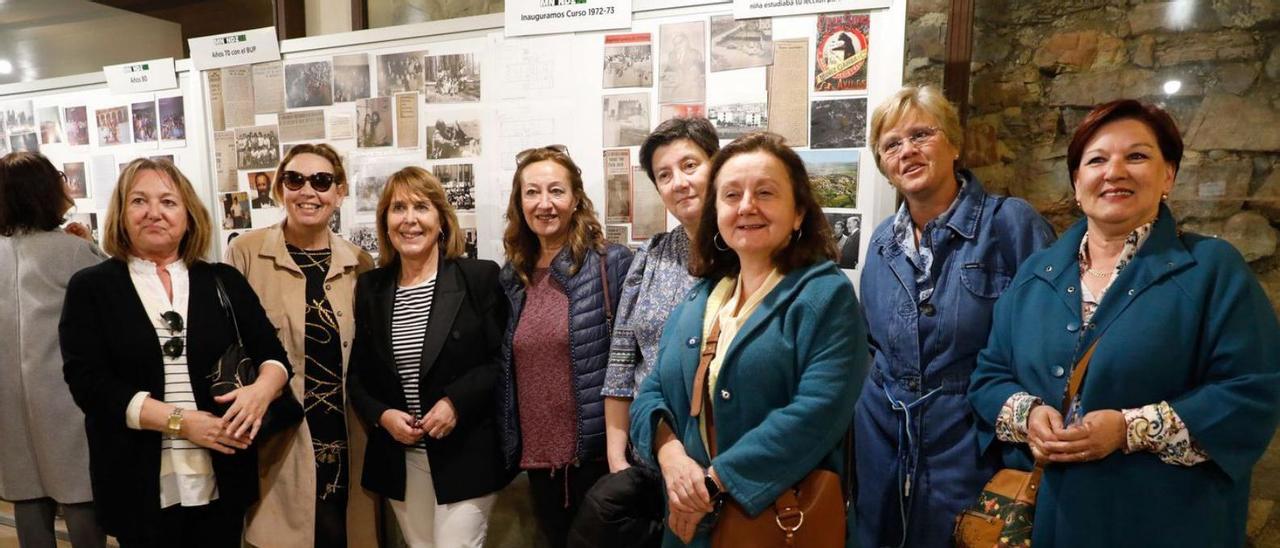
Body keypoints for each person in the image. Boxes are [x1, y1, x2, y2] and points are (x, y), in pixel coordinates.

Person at [969, 99, 1280, 546]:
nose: (1114, 171)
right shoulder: (1037, 274)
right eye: (1096, 160)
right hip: (1048, 522)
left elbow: (1251, 393)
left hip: (1164, 522)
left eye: (1136, 156)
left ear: (1168, 174)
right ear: (1077, 184)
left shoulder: (1213, 270)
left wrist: (1128, 429)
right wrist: (1029, 414)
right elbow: (988, 375)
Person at [630, 132, 867, 546]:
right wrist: (670, 458)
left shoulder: (825, 294)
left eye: (765, 192)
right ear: (716, 212)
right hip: (690, 524)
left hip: (775, 523)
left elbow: (818, 413)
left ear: (798, 213)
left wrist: (714, 481)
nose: (746, 207)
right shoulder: (702, 297)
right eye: (731, 194)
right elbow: (651, 392)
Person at [853, 85, 1056, 548]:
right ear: (884, 164)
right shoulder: (883, 241)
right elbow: (870, 345)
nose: (908, 151)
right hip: (884, 441)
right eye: (891, 144)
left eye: (922, 134)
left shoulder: (1011, 224)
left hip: (974, 440)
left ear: (955, 144)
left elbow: (1048, 344)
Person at [60, 158, 291, 547]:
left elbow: (274, 357)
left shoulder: (223, 280)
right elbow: (88, 384)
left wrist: (260, 391)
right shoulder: (91, 288)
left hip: (223, 471)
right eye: (139, 201)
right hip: (137, 476)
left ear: (188, 214)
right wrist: (181, 422)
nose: (154, 213)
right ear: (122, 213)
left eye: (168, 201)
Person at [225, 143, 379, 548]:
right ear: (280, 189)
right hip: (279, 438)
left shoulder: (361, 264)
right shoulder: (245, 254)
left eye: (322, 181)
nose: (308, 191)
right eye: (295, 179)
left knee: (343, 534)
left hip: (346, 436)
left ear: (340, 192)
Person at [346, 167, 509, 547]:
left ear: (441, 220)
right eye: (398, 208)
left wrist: (456, 402)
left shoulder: (478, 277)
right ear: (386, 222)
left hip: (466, 454)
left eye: (421, 206)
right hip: (402, 459)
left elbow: (500, 361)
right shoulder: (371, 288)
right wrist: (383, 416)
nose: (410, 219)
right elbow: (358, 377)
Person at [497, 145, 633, 548]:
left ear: (576, 199)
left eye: (556, 191)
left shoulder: (611, 264)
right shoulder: (513, 276)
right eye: (532, 192)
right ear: (519, 203)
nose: (544, 204)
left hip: (597, 460)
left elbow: (633, 360)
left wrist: (619, 458)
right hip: (539, 465)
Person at [0, 152, 107, 548]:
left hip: (9, 402)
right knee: (80, 500)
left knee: (27, 500)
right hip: (66, 400)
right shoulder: (73, 252)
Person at [602, 117, 721, 473]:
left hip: (719, 461)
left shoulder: (748, 252)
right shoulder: (650, 256)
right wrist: (616, 459)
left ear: (717, 167)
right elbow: (621, 363)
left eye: (689, 166)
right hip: (649, 457)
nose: (679, 183)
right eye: (664, 175)